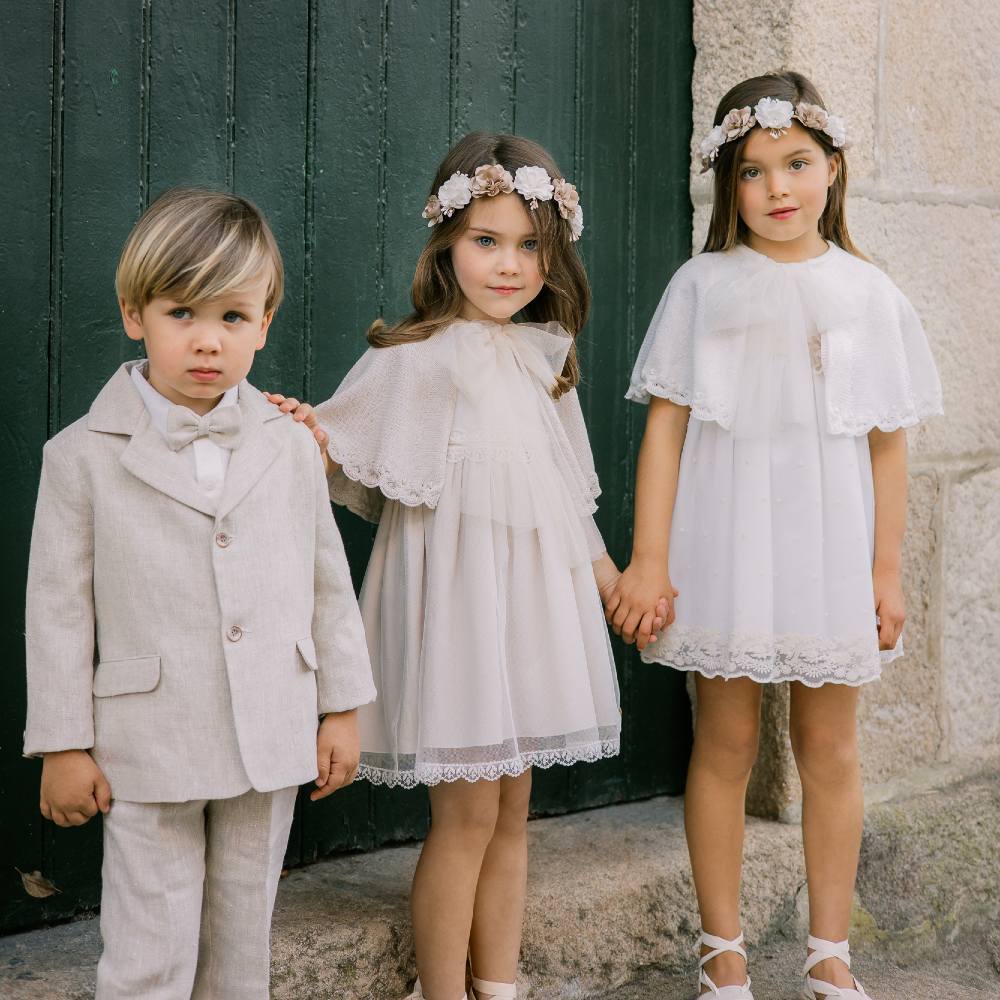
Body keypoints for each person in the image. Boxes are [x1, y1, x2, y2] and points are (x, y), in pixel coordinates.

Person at [270, 131, 664, 1000]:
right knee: (468, 815)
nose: (509, 264)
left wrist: (612, 585)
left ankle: (502, 984)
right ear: (447, 244)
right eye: (486, 241)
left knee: (513, 813)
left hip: (528, 617)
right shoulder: (414, 358)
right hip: (458, 618)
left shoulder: (539, 363)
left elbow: (567, 503)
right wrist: (302, 432)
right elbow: (338, 446)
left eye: (530, 246)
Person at [604, 72, 942, 1000]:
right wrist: (651, 556)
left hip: (831, 543)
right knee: (724, 741)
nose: (778, 188)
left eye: (797, 164)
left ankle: (830, 951)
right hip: (730, 539)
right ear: (730, 186)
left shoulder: (866, 294)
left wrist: (885, 570)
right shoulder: (703, 285)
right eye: (753, 173)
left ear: (833, 168)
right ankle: (723, 948)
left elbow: (886, 447)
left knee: (830, 749)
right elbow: (667, 431)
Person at [23, 188, 375, 1000]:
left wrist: (343, 707)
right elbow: (58, 610)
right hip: (148, 739)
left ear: (265, 322)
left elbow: (327, 580)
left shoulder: (290, 446)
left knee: (242, 939)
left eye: (232, 316)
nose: (208, 340)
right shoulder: (79, 456)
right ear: (134, 314)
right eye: (182, 312)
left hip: (272, 728)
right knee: (150, 945)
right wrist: (63, 743)